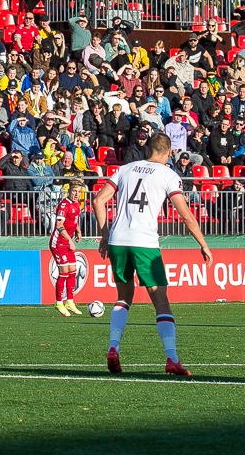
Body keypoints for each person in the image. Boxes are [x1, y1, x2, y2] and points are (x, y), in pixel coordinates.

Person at [92, 132, 214, 377]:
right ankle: (172, 358)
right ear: (170, 152)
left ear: (148, 149)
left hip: (118, 240)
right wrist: (203, 243)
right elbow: (186, 215)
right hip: (144, 242)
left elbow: (98, 200)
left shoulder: (126, 168)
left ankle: (113, 348)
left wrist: (105, 235)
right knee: (160, 300)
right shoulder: (168, 175)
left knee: (123, 298)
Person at [50, 180, 88, 317]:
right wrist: (69, 240)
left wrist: (78, 231)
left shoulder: (77, 204)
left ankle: (70, 301)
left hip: (67, 242)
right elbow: (60, 225)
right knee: (64, 272)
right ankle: (59, 302)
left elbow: (74, 220)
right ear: (69, 191)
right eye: (74, 191)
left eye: (79, 192)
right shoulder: (64, 205)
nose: (77, 194)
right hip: (58, 243)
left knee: (73, 270)